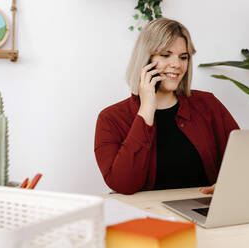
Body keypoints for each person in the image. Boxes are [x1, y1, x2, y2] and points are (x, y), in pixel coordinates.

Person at [94, 18, 239, 195]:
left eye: (183, 57)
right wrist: (147, 108)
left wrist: (229, 184)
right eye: (165, 55)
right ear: (145, 60)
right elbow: (124, 184)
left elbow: (243, 159)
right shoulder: (111, 118)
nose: (176, 65)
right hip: (146, 216)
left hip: (204, 213)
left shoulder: (208, 105)